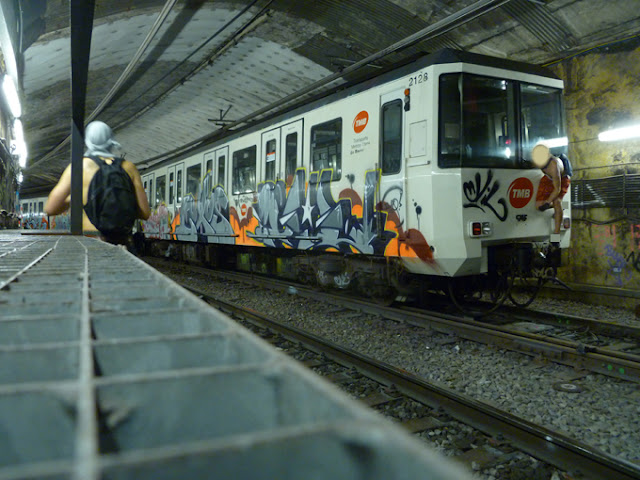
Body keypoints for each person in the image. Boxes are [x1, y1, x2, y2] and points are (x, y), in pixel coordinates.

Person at [44, 121, 151, 245]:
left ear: (88, 141)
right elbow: (145, 213)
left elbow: (50, 209)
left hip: (90, 240)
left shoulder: (79, 166)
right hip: (122, 242)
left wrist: (76, 199)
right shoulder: (129, 167)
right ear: (111, 139)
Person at [532, 143, 570, 235]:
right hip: (549, 178)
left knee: (556, 201)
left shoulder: (553, 166)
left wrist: (548, 202)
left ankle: (556, 234)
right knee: (538, 206)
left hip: (562, 179)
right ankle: (560, 206)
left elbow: (557, 189)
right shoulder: (537, 161)